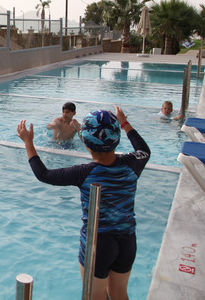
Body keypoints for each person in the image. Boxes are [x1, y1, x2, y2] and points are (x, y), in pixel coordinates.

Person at [17, 107, 150, 300]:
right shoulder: (131, 164)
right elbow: (143, 149)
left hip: (98, 244)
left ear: (86, 143)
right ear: (117, 138)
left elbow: (43, 174)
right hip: (127, 240)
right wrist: (124, 122)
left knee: (94, 297)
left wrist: (28, 142)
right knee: (119, 294)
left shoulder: (84, 173)